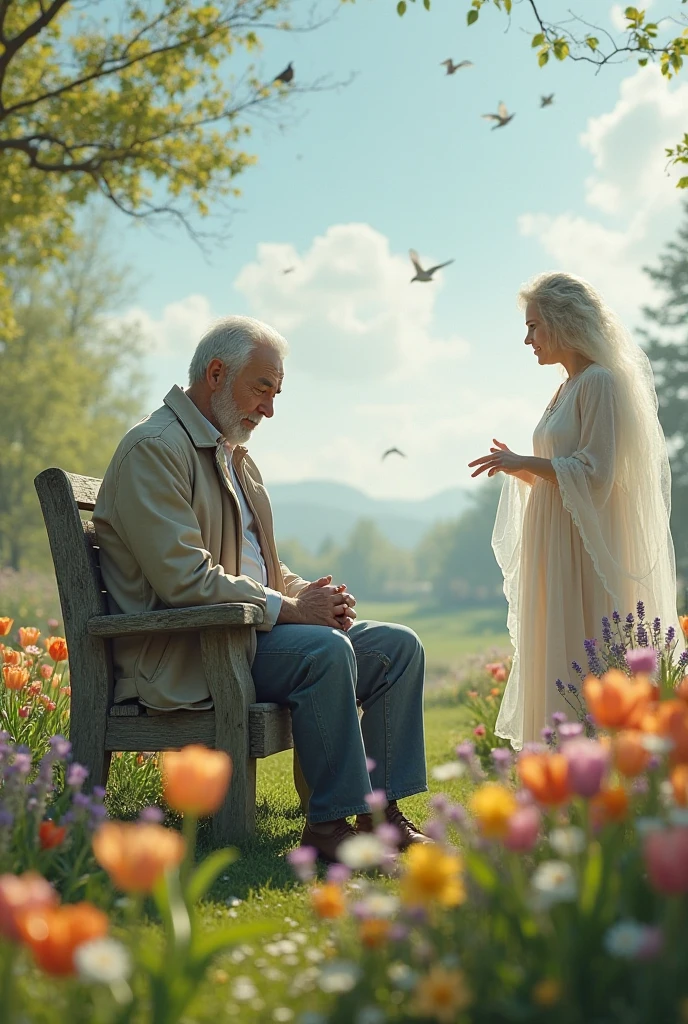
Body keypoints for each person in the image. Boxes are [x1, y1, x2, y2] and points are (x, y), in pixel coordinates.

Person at [94, 315, 429, 859]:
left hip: (248, 636)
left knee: (397, 647)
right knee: (324, 650)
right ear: (217, 372)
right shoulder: (153, 449)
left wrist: (313, 596)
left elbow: (259, 568)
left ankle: (379, 816)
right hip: (189, 651)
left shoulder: (232, 455)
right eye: (262, 388)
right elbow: (185, 580)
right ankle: (327, 830)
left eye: (276, 391)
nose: (270, 408)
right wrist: (297, 611)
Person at [468, 272, 678, 750]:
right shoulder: (565, 387)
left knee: (584, 641)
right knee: (555, 644)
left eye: (534, 326)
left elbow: (597, 472)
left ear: (562, 323)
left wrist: (527, 461)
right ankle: (562, 760)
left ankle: (598, 762)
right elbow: (563, 474)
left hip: (581, 546)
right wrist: (517, 468)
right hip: (555, 537)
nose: (527, 339)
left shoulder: (599, 382)